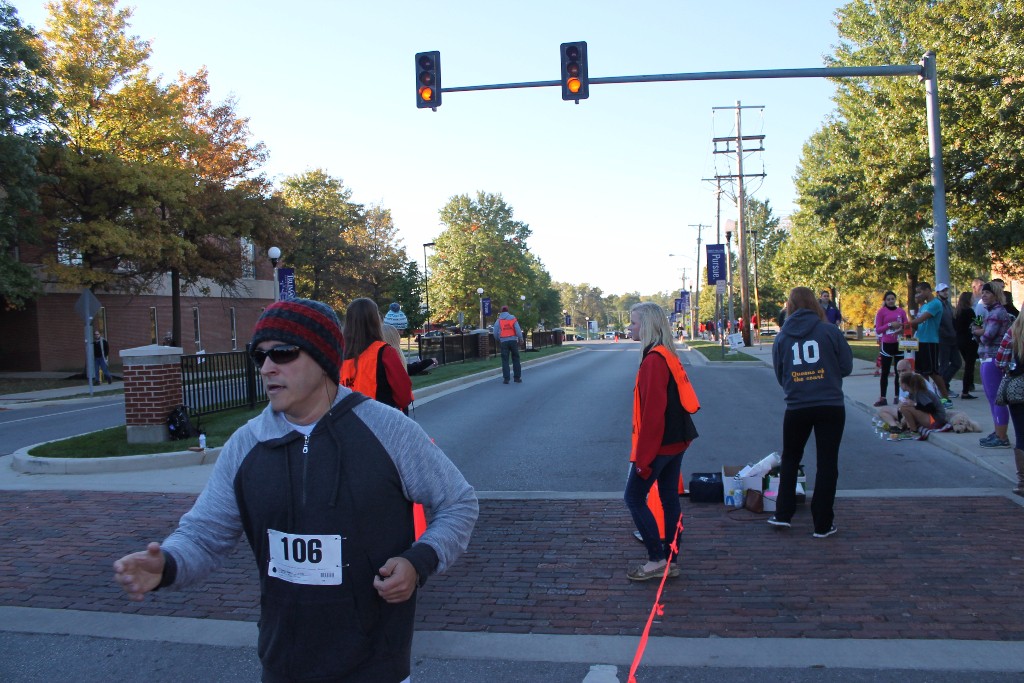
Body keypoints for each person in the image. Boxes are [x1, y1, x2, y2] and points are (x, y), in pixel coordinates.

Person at [113, 298, 478, 683]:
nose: (268, 368)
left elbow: (458, 502)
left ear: (323, 359)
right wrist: (167, 565)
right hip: (283, 664)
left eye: (283, 354)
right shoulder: (246, 444)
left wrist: (419, 561)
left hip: (376, 665)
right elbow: (205, 535)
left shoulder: (388, 431)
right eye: (260, 357)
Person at [624, 302, 700, 581]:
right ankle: (671, 557)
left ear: (646, 326)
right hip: (676, 441)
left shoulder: (654, 361)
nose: (629, 328)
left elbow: (653, 415)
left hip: (661, 445)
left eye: (633, 323)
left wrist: (643, 460)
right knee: (669, 498)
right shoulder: (665, 354)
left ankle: (656, 559)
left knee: (633, 497)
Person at [769, 287, 853, 538]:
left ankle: (783, 514)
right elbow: (846, 366)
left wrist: (797, 385)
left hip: (797, 406)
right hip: (830, 404)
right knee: (828, 462)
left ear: (790, 306)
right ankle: (823, 523)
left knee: (791, 458)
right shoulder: (829, 331)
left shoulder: (782, 337)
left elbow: (779, 373)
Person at [341, 298, 414, 414]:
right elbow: (404, 396)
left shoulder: (338, 355)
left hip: (348, 422)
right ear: (376, 321)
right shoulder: (385, 352)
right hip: (380, 420)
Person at [973, 281, 1013, 448]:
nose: (984, 295)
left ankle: (1002, 436)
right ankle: (998, 432)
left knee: (997, 399)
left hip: (993, 358)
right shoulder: (986, 311)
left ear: (996, 294)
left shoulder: (997, 312)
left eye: (987, 293)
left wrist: (978, 332)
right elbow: (976, 326)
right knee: (992, 399)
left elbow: (987, 335)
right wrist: (977, 330)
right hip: (986, 357)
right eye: (983, 293)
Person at [995, 312, 1024, 495]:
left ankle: (1022, 482)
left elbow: (1000, 361)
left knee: (1021, 433)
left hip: (1018, 388)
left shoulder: (1013, 332)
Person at [907, 281, 950, 403]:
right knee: (922, 372)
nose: (918, 294)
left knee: (933, 372)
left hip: (930, 341)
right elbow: (916, 325)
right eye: (917, 292)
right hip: (920, 340)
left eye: (920, 292)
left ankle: (946, 399)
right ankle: (928, 397)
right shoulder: (923, 306)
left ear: (927, 291)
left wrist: (901, 324)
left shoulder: (935, 304)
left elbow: (920, 320)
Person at [872, 291, 908, 407]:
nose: (891, 301)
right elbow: (878, 330)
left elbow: (907, 326)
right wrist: (890, 325)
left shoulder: (901, 311)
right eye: (888, 299)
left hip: (899, 344)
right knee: (885, 372)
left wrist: (901, 328)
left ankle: (898, 396)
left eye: (893, 299)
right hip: (887, 344)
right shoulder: (881, 312)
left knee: (900, 372)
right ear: (885, 301)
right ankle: (883, 397)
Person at [897, 372, 951, 440]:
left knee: (904, 408)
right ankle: (910, 429)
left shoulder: (920, 392)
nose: (899, 385)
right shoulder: (912, 394)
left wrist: (914, 404)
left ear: (904, 385)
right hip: (931, 418)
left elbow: (931, 408)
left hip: (935, 420)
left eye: (900, 383)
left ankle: (914, 431)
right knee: (903, 407)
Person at [935, 284, 963, 397]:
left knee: (957, 363)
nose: (945, 292)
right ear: (937, 293)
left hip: (953, 338)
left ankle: (943, 384)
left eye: (946, 290)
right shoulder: (938, 305)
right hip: (943, 339)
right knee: (944, 365)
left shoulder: (949, 305)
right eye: (943, 291)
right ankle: (942, 388)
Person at [954, 291, 979, 399]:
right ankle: (965, 390)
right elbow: (977, 323)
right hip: (969, 340)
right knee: (969, 366)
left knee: (967, 364)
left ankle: (967, 388)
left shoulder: (956, 312)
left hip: (959, 340)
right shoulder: (969, 311)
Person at [492, 305, 523, 384]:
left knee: (505, 360)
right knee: (516, 359)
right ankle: (517, 377)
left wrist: (499, 339)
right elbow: (518, 329)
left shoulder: (499, 320)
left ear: (501, 311)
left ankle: (506, 379)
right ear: (508, 311)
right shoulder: (513, 318)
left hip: (504, 342)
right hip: (513, 341)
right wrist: (520, 338)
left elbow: (495, 332)